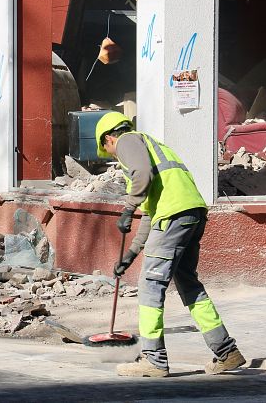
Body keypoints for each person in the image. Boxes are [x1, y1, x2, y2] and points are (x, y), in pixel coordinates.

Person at [95, 112, 245, 377]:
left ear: (109, 138)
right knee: (189, 285)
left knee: (151, 285)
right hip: (190, 214)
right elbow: (152, 213)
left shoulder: (127, 141)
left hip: (174, 217)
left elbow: (141, 176)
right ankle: (226, 352)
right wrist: (130, 254)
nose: (112, 155)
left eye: (107, 150)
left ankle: (153, 360)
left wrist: (128, 208)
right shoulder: (153, 147)